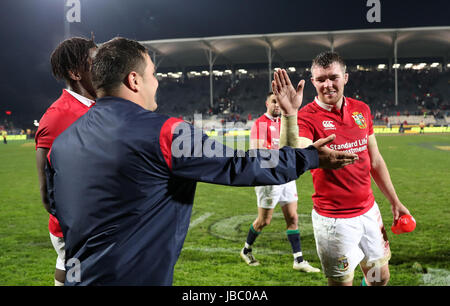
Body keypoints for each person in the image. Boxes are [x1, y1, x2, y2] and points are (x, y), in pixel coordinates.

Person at [46, 37, 358, 286]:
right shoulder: (166, 132)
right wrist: (310, 156)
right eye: (153, 74)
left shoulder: (62, 144)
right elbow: (240, 166)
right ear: (134, 80)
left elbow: (59, 210)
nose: (156, 83)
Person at [272, 51, 410, 286]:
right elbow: (292, 155)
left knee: (379, 278)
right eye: (321, 79)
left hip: (368, 211)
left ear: (345, 77)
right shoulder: (306, 118)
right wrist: (289, 114)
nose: (327, 85)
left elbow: (374, 160)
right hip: (334, 222)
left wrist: (394, 201)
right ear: (313, 82)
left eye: (333, 77)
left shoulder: (361, 110)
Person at [35, 37, 97, 286]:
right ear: (75, 73)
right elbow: (47, 193)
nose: (103, 67)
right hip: (78, 228)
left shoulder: (99, 105)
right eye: (95, 62)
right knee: (75, 269)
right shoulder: (58, 116)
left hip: (100, 221)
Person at [240, 92, 320, 273]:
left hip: (287, 177)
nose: (277, 105)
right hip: (269, 180)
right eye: (273, 102)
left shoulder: (285, 123)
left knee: (293, 217)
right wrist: (282, 155)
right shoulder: (261, 123)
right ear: (266, 103)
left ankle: (298, 260)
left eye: (279, 102)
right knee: (264, 221)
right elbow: (257, 152)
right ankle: (246, 250)